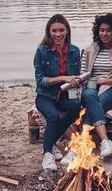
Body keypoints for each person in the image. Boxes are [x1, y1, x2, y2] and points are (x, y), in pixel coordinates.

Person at [61, 13, 112, 164]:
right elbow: (82, 75)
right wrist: (81, 82)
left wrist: (105, 81)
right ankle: (105, 140)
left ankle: (75, 149)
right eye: (101, 30)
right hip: (91, 85)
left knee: (96, 103)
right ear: (97, 31)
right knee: (91, 98)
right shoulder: (89, 49)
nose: (104, 34)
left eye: (108, 30)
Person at [33, 14, 82, 170]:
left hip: (66, 95)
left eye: (61, 30)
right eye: (54, 30)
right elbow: (41, 81)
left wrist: (76, 81)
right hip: (45, 96)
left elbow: (76, 78)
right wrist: (63, 78)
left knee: (76, 106)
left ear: (67, 31)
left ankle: (50, 141)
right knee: (53, 116)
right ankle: (47, 154)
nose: (58, 34)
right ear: (49, 32)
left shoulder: (75, 51)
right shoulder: (42, 51)